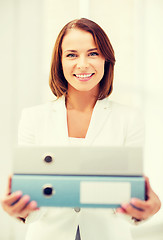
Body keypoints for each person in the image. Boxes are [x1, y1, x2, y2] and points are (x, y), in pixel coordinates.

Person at [1, 18, 161, 240]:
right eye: (72, 54)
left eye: (93, 53)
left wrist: (142, 209)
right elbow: (35, 201)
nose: (83, 64)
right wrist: (22, 210)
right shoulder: (33, 118)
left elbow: (125, 200)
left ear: (106, 59)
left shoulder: (129, 118)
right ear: (60, 62)